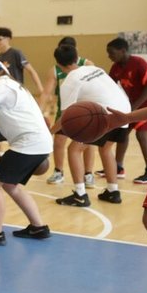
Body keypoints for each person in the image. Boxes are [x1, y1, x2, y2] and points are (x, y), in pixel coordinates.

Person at [110, 0, 147, 293]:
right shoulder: (116, 68)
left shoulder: (141, 64)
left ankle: (146, 167)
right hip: (140, 108)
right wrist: (124, 116)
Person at [0, 54, 52, 245]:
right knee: (9, 184)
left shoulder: (0, 87)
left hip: (30, 143)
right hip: (38, 142)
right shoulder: (6, 84)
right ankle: (38, 227)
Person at [53, 43, 131, 207]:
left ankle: (80, 195)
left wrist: (49, 132)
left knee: (74, 149)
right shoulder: (96, 68)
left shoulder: (69, 81)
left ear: (58, 64)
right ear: (77, 57)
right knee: (106, 148)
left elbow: (66, 117)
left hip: (106, 114)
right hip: (125, 112)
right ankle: (113, 191)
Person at [41, 36, 97, 186]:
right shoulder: (55, 70)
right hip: (66, 109)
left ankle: (88, 174)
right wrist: (40, 110)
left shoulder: (87, 64)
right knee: (59, 141)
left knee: (87, 143)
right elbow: (47, 93)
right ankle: (58, 172)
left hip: (86, 109)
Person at [106, 37, 147, 185]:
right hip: (131, 105)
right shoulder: (116, 67)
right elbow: (109, 86)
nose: (109, 56)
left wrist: (134, 107)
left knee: (142, 134)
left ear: (123, 51)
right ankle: (118, 167)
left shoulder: (139, 63)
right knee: (123, 132)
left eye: (111, 53)